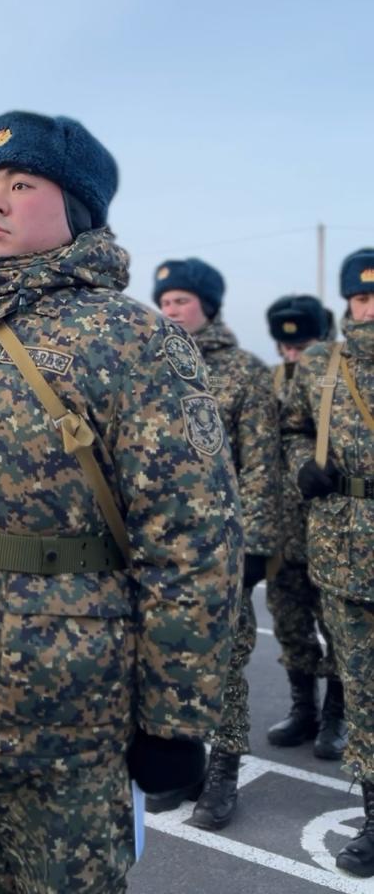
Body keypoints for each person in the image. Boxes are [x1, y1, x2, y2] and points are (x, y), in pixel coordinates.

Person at [0, 111, 243, 893]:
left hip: (65, 702)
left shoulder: (134, 341)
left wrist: (173, 716)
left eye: (22, 184)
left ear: (79, 207)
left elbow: (192, 537)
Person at [154, 257, 281, 830]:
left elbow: (262, 466)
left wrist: (253, 546)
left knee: (225, 660)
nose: (170, 309)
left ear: (208, 304)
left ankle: (224, 770)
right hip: (161, 542)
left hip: (221, 542)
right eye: (164, 301)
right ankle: (188, 765)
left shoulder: (244, 373)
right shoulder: (152, 364)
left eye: (181, 300)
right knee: (169, 655)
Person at [282, 248, 374, 878]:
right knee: (364, 691)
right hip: (344, 554)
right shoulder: (320, 363)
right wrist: (301, 467)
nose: (370, 310)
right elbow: (291, 428)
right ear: (346, 303)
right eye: (361, 298)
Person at [264, 295, 345, 759]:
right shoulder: (270, 384)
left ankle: (337, 715)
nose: (294, 354)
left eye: (304, 344)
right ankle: (304, 710)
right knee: (291, 627)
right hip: (282, 533)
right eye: (287, 346)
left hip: (330, 533)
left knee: (338, 630)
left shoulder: (339, 382)